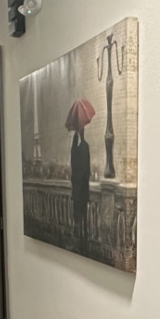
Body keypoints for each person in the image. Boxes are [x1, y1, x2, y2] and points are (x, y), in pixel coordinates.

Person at [65, 98, 95, 257]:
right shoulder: (82, 147)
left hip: (80, 189)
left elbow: (83, 171)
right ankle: (81, 241)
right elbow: (86, 170)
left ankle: (80, 241)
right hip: (81, 189)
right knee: (80, 216)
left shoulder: (79, 147)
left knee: (79, 216)